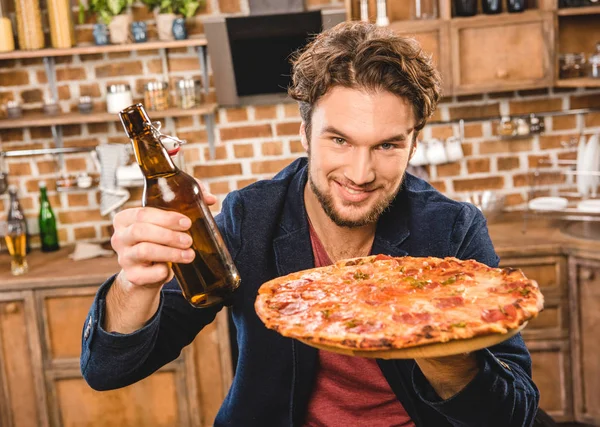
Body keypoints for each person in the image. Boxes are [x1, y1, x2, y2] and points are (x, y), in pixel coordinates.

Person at [81, 21, 540, 426]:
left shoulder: (451, 230)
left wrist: (441, 335)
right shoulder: (249, 218)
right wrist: (136, 282)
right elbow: (106, 370)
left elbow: (512, 415)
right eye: (339, 140)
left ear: (413, 144)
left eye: (387, 146)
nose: (360, 174)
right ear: (304, 133)